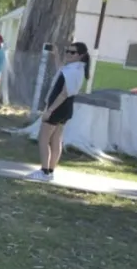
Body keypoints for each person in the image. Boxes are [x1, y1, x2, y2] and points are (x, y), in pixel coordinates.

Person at [27, 42, 90, 182]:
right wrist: (56, 54)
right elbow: (61, 69)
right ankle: (49, 171)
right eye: (67, 50)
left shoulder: (74, 70)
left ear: (81, 55)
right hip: (65, 108)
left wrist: (49, 110)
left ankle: (44, 171)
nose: (68, 53)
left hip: (58, 107)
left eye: (72, 52)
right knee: (56, 140)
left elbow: (64, 93)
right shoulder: (74, 68)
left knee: (43, 139)